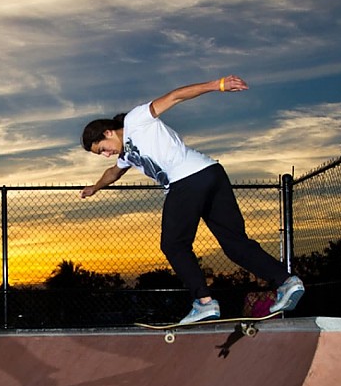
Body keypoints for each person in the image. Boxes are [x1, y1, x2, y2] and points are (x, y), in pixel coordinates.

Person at [79, 74, 304, 325]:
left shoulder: (135, 120)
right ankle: (287, 282)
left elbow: (175, 96)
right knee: (234, 243)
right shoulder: (127, 155)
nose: (106, 154)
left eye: (102, 149)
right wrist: (95, 187)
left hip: (186, 180)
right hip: (211, 173)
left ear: (108, 132)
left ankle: (204, 303)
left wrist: (217, 86)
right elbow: (114, 173)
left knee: (174, 245)